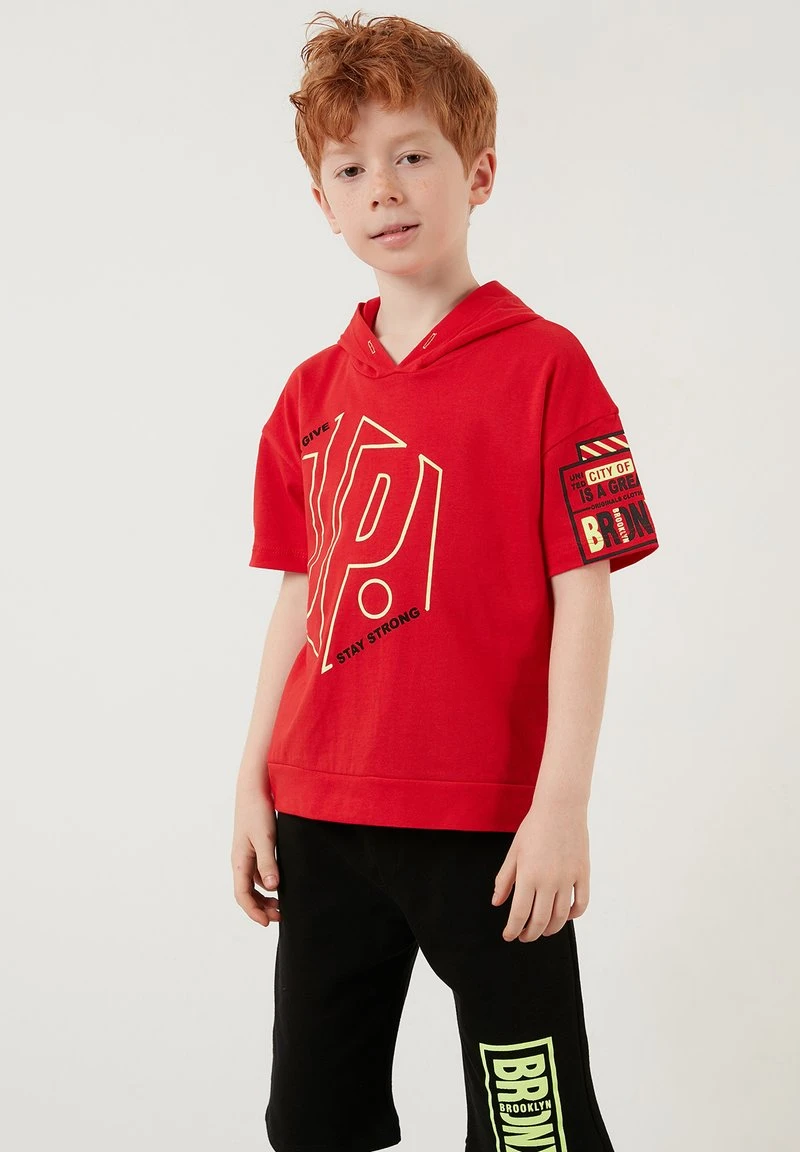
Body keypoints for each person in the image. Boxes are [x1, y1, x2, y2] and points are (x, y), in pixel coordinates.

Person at [232, 10, 659, 1151]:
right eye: (350, 169)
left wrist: (560, 805)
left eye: (412, 154)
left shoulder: (548, 366)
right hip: (321, 815)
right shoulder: (309, 392)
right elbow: (298, 597)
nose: (383, 188)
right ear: (322, 202)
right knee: (313, 1120)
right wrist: (250, 781)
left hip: (490, 831)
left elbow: (586, 593)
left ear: (478, 173)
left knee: (532, 1131)